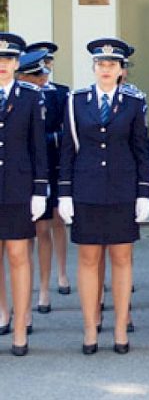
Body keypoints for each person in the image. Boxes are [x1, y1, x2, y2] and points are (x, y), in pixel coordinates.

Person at [58, 38, 149, 355]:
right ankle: (90, 327)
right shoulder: (76, 101)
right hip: (86, 190)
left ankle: (121, 328)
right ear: (94, 68)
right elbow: (68, 150)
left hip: (122, 190)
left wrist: (143, 192)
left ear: (122, 69)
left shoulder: (133, 103)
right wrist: (65, 192)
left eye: (112, 64)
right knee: (88, 259)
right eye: (101, 64)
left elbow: (140, 150)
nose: (106, 69)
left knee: (122, 259)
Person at [0, 34, 48, 356]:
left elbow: (37, 146)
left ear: (17, 63)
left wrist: (40, 189)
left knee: (18, 255)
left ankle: (20, 326)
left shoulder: (30, 97)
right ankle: (2, 312)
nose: (2, 65)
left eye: (7, 60)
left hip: (18, 185)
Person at [26, 41, 71, 299]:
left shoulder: (61, 93)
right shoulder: (22, 94)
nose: (45, 70)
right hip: (29, 165)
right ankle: (35, 283)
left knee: (57, 220)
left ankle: (62, 272)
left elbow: (67, 130)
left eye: (48, 63)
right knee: (37, 227)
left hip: (54, 162)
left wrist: (48, 139)